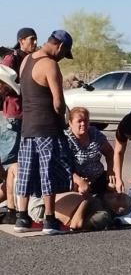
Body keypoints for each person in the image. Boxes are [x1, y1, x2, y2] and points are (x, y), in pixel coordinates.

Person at [14, 30, 74, 235]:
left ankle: (21, 218)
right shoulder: (50, 64)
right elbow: (58, 103)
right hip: (47, 128)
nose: (62, 58)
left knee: (25, 171)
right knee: (47, 171)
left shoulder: (26, 60)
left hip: (28, 127)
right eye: (64, 53)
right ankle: (49, 220)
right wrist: (63, 120)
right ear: (60, 46)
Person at [0, 28, 37, 224]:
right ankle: (11, 208)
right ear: (21, 41)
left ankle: (15, 206)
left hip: (26, 117)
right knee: (11, 165)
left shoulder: (32, 59)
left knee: (19, 164)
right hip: (13, 117)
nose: (35, 42)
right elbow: (4, 81)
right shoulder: (12, 58)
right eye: (31, 39)